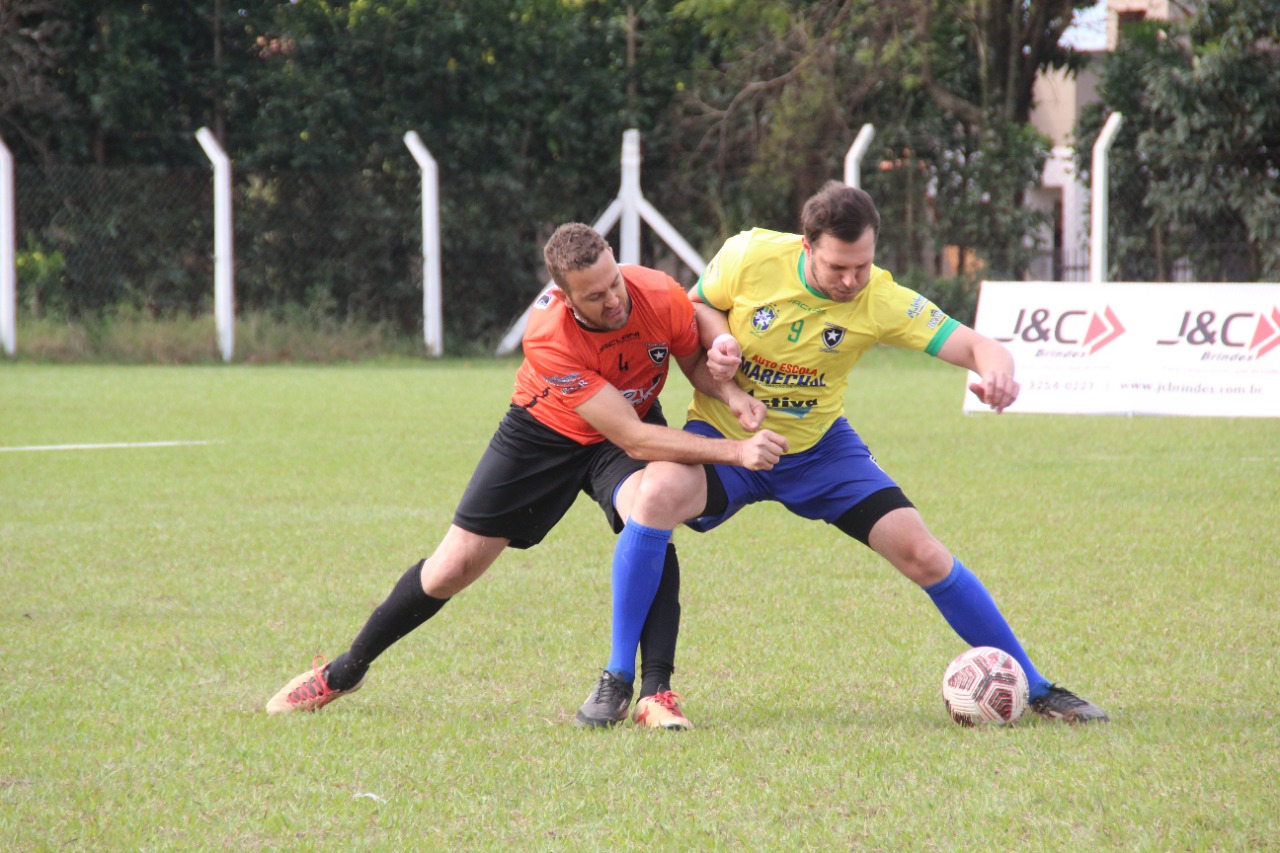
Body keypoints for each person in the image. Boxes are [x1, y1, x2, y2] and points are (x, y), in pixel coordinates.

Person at [583, 181, 1109, 724]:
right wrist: (721, 344)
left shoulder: (880, 298)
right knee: (654, 497)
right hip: (729, 438)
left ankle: (1039, 687)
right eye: (838, 267)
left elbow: (979, 345)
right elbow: (699, 304)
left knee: (922, 552)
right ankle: (618, 678)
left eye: (862, 265)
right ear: (806, 246)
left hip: (821, 452)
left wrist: (998, 374)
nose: (852, 280)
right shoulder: (750, 254)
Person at [265, 222, 788, 728]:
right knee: (451, 568)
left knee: (652, 513)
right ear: (565, 298)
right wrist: (735, 451)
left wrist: (730, 392)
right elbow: (633, 437)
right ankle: (343, 672)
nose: (613, 301)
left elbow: (693, 363)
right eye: (595, 297)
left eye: (614, 283)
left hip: (624, 428)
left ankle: (655, 693)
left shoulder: (658, 293)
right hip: (544, 435)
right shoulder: (548, 334)